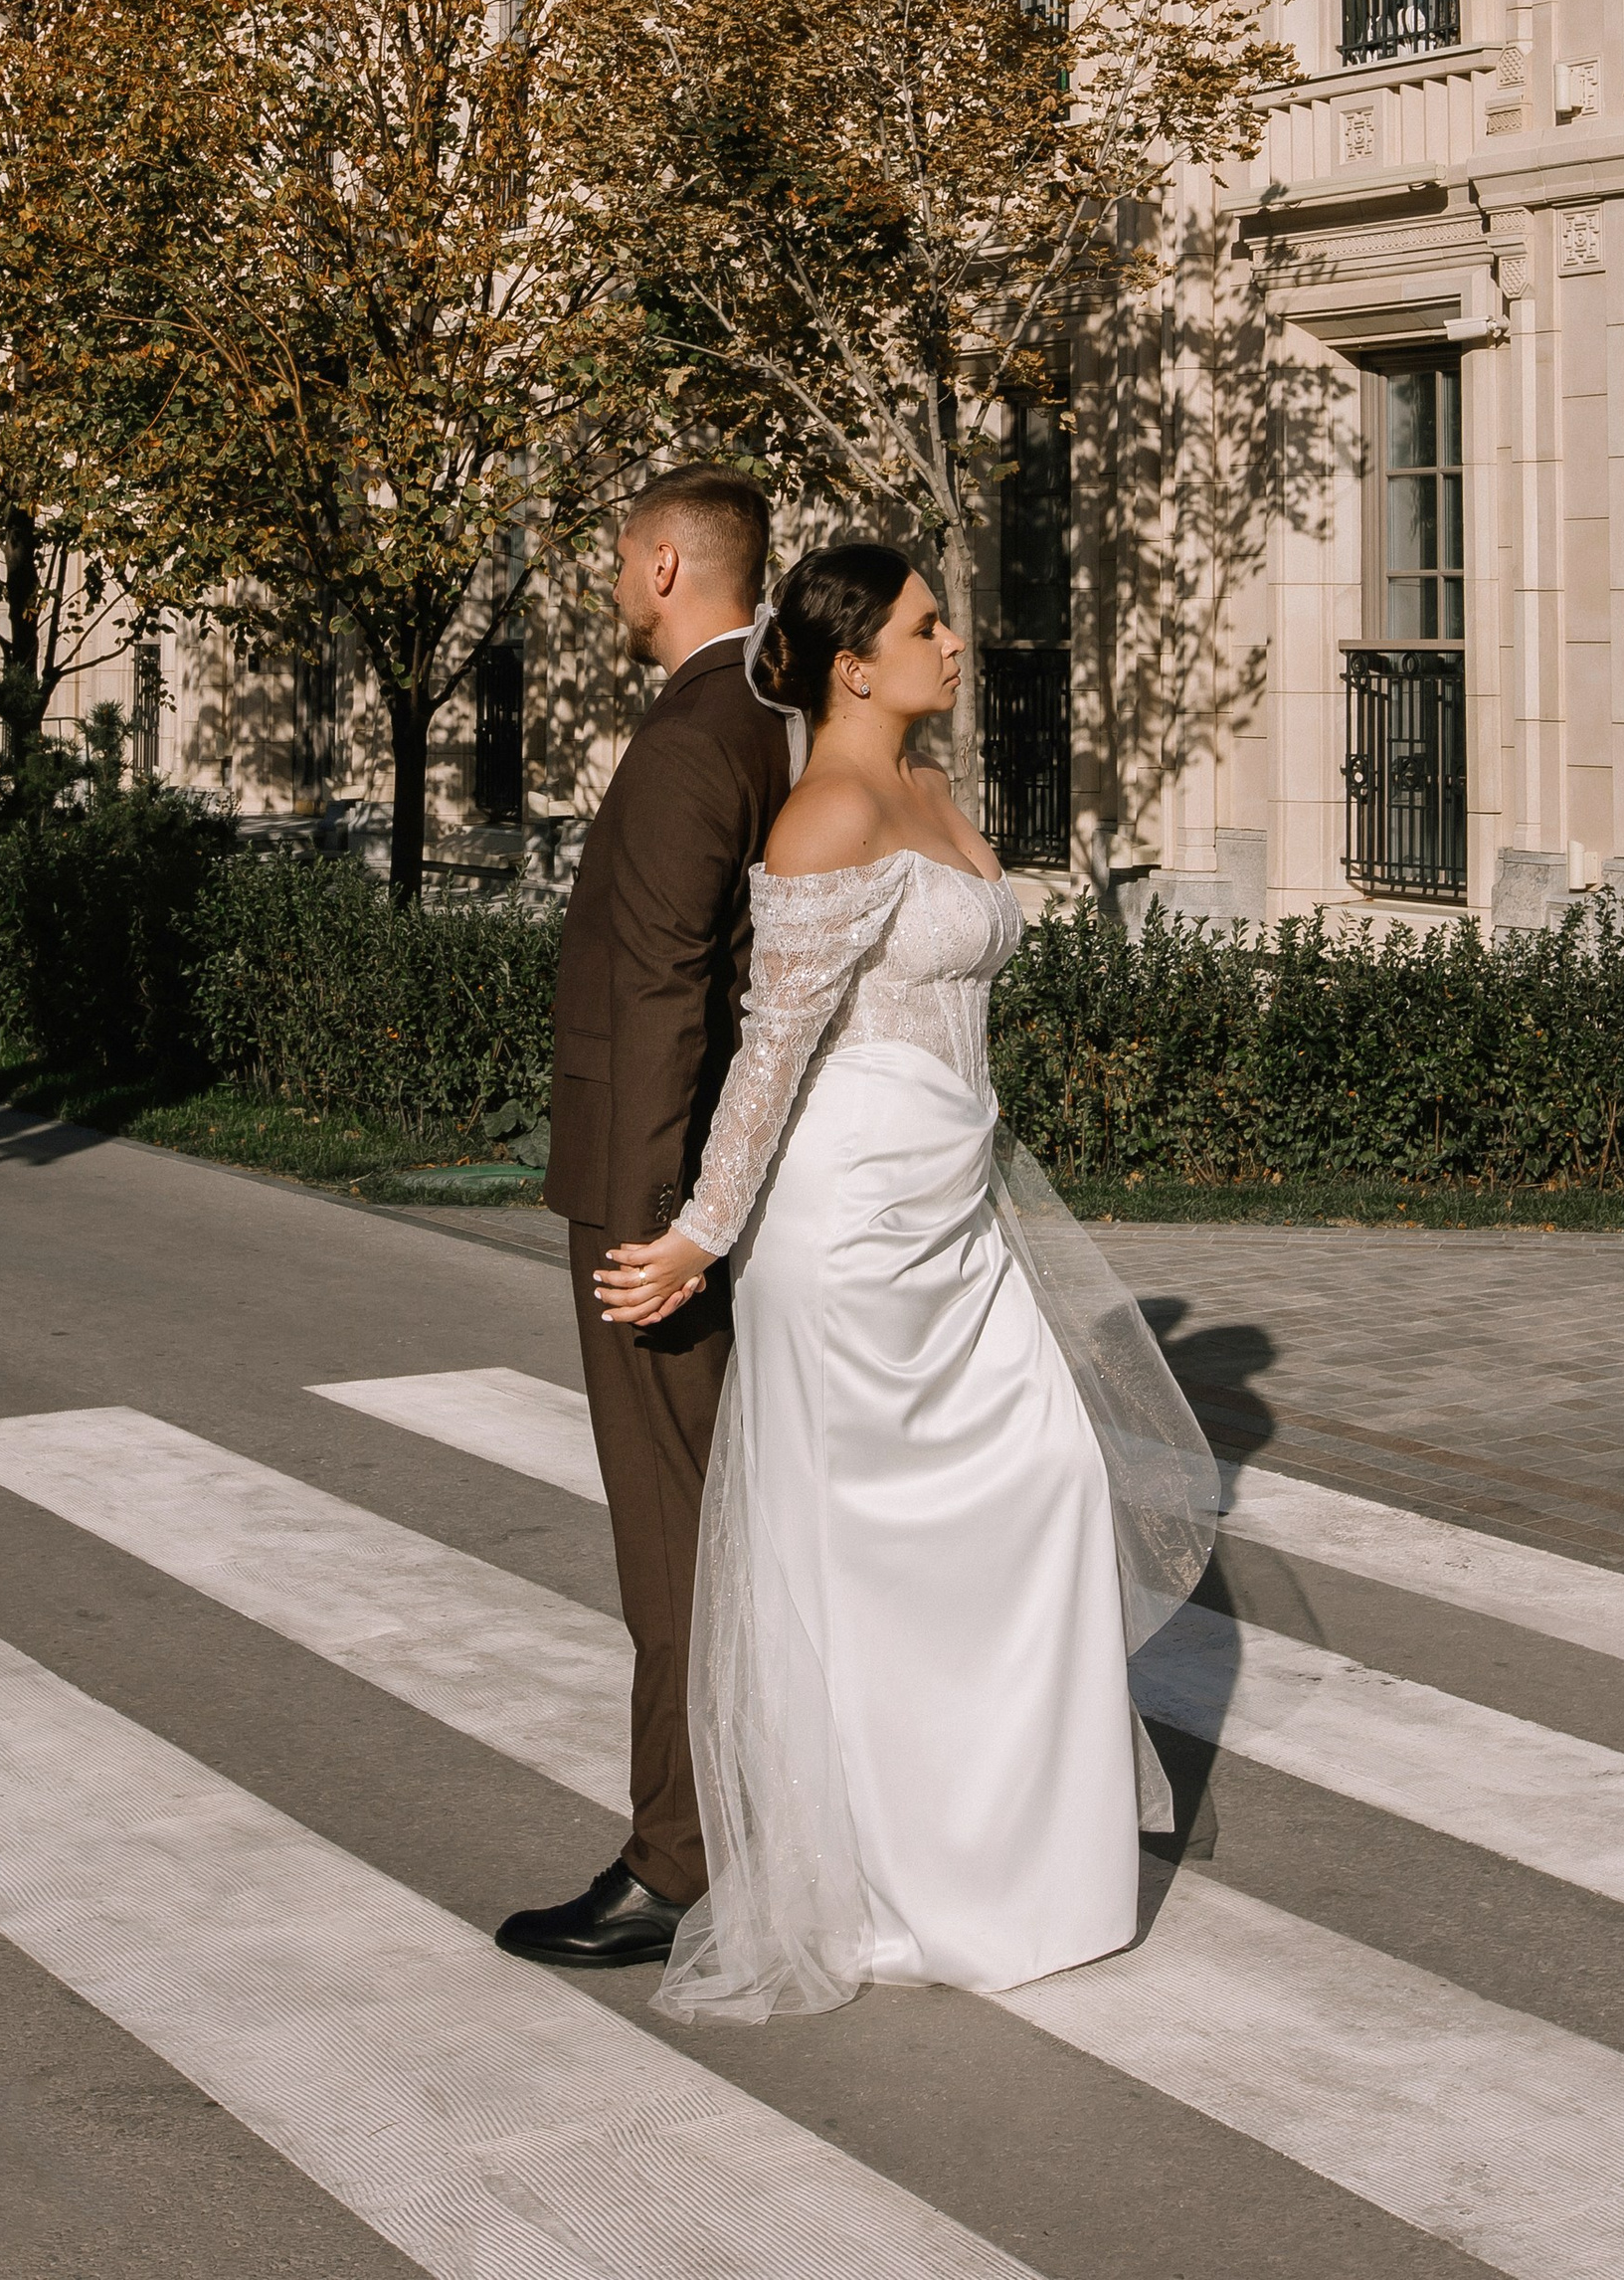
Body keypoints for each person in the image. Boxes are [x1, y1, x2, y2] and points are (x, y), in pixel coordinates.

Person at [593, 540, 1217, 2019]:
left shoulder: (935, 793)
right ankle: (886, 1878)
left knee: (1053, 1485)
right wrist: (702, 1232)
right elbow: (769, 1056)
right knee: (866, 1558)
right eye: (928, 624)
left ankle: (1015, 1864)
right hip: (851, 1227)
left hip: (955, 1205)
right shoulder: (824, 813)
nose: (955, 639)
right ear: (851, 662)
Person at [495, 470, 792, 1972]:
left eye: (622, 561)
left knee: (670, 1537)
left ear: (667, 563)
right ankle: (743, 1813)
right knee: (723, 1524)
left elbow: (672, 983)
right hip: (701, 1187)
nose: (616, 584)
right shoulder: (761, 715)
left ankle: (677, 1858)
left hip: (652, 1203)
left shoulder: (695, 735)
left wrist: (662, 1224)